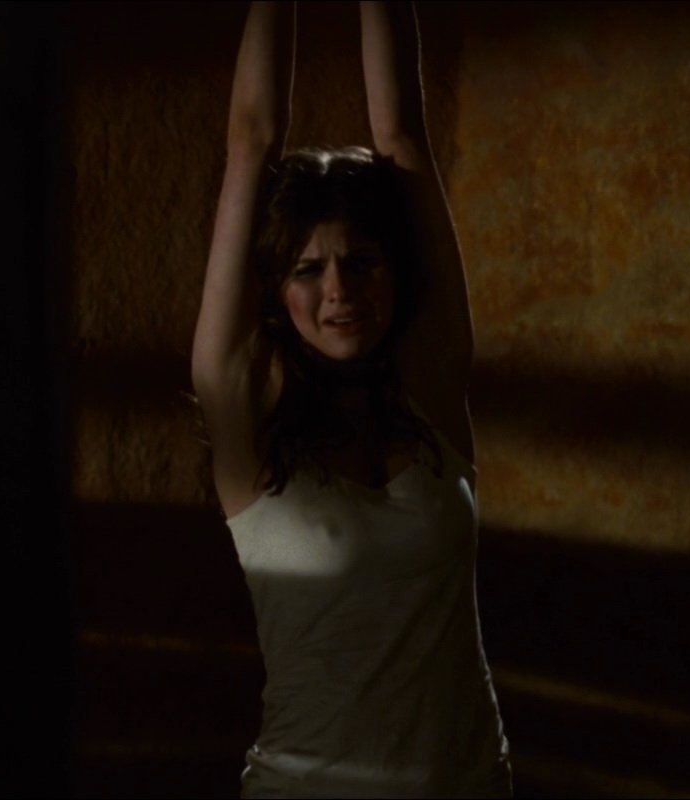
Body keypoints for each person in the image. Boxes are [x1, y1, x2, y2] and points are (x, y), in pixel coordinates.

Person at [188, 1, 512, 797]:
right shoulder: (248, 415)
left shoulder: (430, 386)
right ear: (279, 290)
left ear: (392, 272)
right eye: (309, 270)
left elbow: (402, 137)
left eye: (361, 262)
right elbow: (251, 139)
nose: (340, 290)